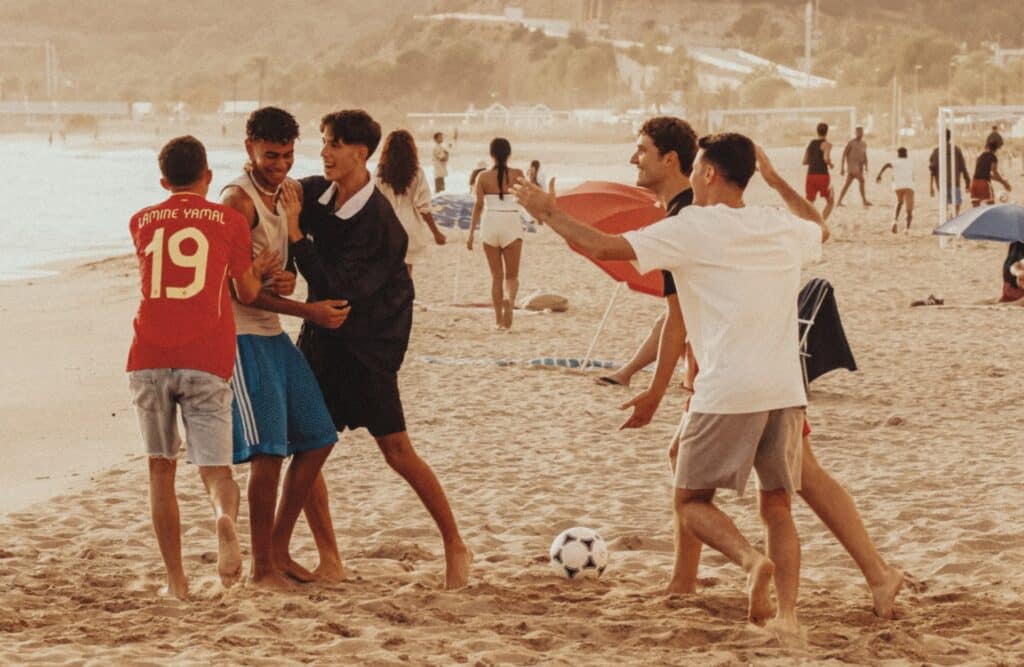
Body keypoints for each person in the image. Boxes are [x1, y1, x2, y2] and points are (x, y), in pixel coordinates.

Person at [517, 133, 828, 636]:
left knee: (689, 502)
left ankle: (752, 563)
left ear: (707, 173)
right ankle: (787, 617)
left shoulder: (692, 226)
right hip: (785, 388)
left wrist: (548, 211)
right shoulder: (776, 223)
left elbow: (603, 246)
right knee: (777, 507)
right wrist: (774, 180)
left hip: (727, 387)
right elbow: (820, 227)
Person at [289, 109, 473, 589]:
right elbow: (272, 197)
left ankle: (455, 543)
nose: (324, 152)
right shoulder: (317, 192)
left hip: (368, 349)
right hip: (322, 342)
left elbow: (337, 287)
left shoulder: (379, 221)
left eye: (333, 144)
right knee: (307, 450)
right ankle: (329, 558)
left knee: (397, 450)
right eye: (323, 142)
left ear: (360, 152)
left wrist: (295, 237)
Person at [127, 135, 278, 599]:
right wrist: (262, 267)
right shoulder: (229, 221)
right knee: (216, 471)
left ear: (163, 181)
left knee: (160, 471)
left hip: (148, 356)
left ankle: (176, 582)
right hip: (206, 357)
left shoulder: (140, 221)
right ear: (208, 176)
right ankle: (222, 516)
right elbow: (246, 291)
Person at [220, 107, 350, 590]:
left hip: (272, 333)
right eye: (271, 155)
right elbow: (239, 291)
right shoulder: (237, 200)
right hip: (241, 336)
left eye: (288, 155)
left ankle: (277, 549)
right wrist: (308, 311)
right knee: (269, 454)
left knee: (318, 437)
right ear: (249, 148)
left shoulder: (288, 193)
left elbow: (275, 270)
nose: (280, 164)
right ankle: (261, 570)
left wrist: (288, 276)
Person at [593, 116, 698, 388]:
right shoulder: (693, 210)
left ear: (670, 159)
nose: (633, 159)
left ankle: (627, 373)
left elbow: (603, 248)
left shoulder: (685, 220)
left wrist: (551, 214)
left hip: (729, 379)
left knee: (675, 314)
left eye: (642, 150)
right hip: (749, 374)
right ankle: (627, 373)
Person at [466, 138, 526, 329]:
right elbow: (526, 200)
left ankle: (499, 320)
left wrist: (471, 233)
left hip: (490, 222)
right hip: (511, 220)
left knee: (496, 276)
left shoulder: (482, 177)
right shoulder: (518, 174)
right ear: (509, 154)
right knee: (512, 276)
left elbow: (478, 206)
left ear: (491, 154)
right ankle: (509, 300)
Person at [376, 129, 447, 275]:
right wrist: (436, 232)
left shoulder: (379, 172)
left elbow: (373, 203)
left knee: (387, 273)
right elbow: (424, 206)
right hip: (410, 226)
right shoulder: (417, 172)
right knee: (407, 274)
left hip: (385, 226)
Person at [929, 130, 970, 216]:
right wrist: (967, 182)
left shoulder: (936, 151)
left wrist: (931, 187)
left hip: (941, 183)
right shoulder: (956, 150)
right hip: (955, 182)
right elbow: (963, 167)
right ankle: (953, 216)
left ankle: (948, 217)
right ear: (949, 137)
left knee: (944, 205)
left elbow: (932, 170)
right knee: (957, 203)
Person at [875, 147, 915, 234]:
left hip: (897, 186)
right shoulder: (910, 162)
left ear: (898, 154)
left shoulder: (895, 162)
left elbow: (886, 165)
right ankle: (907, 229)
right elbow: (912, 176)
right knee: (909, 210)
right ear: (906, 154)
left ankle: (895, 221)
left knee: (899, 202)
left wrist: (879, 175)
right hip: (909, 186)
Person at [804, 122, 835, 220]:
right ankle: (822, 222)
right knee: (830, 201)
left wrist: (814, 159)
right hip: (822, 175)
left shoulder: (811, 143)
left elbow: (804, 161)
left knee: (810, 202)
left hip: (810, 175)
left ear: (817, 131)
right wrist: (831, 164)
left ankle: (809, 222)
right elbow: (826, 158)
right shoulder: (827, 144)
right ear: (827, 132)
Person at [970, 138, 1012, 207]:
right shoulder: (993, 157)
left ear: (987, 147)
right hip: (984, 184)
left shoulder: (980, 156)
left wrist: (1002, 182)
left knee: (975, 207)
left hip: (974, 182)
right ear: (996, 149)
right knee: (990, 206)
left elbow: (986, 174)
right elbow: (995, 172)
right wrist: (1004, 183)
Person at [837, 126, 871, 208]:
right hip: (852, 167)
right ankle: (864, 201)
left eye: (861, 131)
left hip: (859, 167)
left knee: (847, 185)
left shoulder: (864, 143)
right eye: (858, 132)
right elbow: (844, 154)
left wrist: (866, 165)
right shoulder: (851, 143)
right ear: (855, 133)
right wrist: (842, 168)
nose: (860, 133)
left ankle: (839, 201)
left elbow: (864, 155)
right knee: (862, 180)